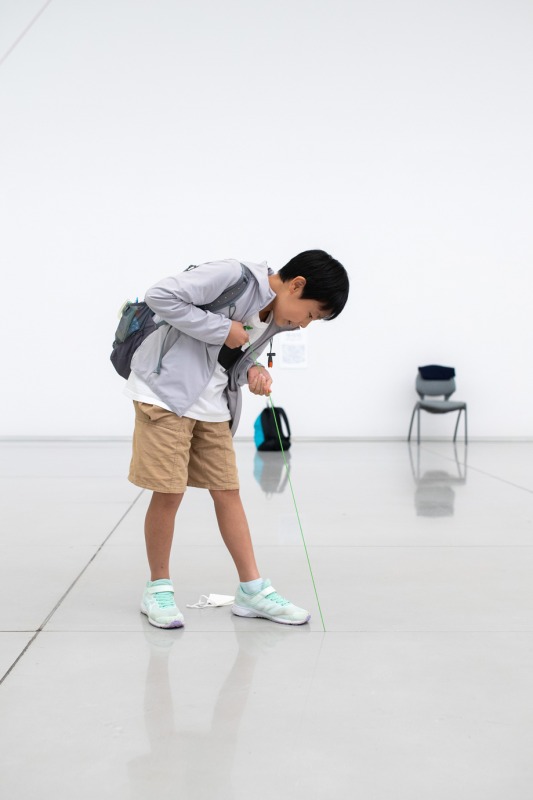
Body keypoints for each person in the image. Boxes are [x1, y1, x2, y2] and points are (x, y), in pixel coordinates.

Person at [125, 249, 349, 628]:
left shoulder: (278, 319)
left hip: (213, 404)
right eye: (311, 314)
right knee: (169, 491)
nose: (305, 325)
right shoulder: (234, 276)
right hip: (166, 394)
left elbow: (231, 358)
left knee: (228, 491)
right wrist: (222, 329)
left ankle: (252, 590)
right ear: (296, 285)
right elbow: (159, 296)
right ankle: (157, 589)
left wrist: (253, 371)